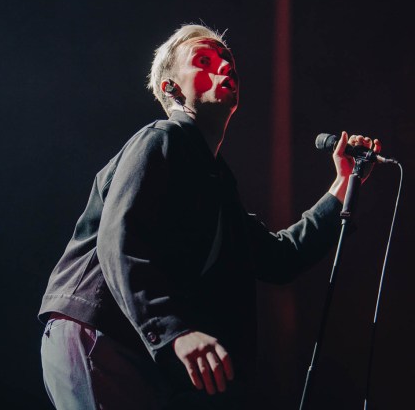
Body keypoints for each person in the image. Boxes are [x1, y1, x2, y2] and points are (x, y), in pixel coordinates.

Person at [38, 23, 381, 409]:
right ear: (171, 87)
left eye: (227, 61)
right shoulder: (160, 139)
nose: (224, 66)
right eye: (203, 60)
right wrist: (173, 332)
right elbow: (119, 238)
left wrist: (344, 183)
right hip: (100, 333)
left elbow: (280, 258)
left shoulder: (216, 183)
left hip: (140, 354)